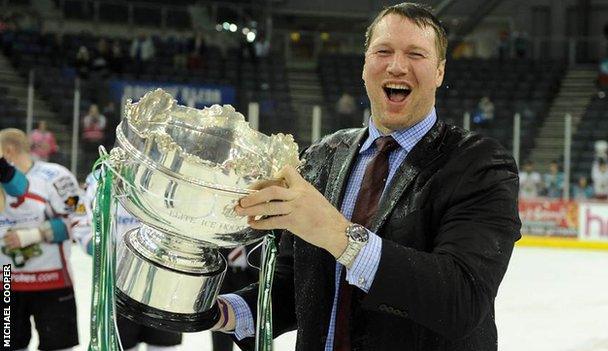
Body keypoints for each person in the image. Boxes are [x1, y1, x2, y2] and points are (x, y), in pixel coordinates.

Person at [209, 3, 521, 351]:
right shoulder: (322, 157)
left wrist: (338, 235)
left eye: (416, 54)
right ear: (365, 65)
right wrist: (221, 311)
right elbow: (297, 288)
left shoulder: (480, 165)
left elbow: (462, 300)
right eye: (383, 51)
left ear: (439, 72)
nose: (397, 66)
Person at [73, 170, 184, 351]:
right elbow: (79, 220)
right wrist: (100, 249)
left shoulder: (168, 174)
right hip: (118, 284)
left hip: (160, 285)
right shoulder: (98, 177)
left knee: (162, 345)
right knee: (121, 344)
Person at [0, 128, 83, 351]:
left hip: (51, 280)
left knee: (58, 347)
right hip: (6, 282)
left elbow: (80, 219)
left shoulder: (57, 176)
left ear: (7, 151)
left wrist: (32, 235)